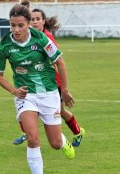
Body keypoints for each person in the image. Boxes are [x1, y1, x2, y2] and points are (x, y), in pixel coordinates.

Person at [0, 4, 75, 174]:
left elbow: (59, 62)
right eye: (12, 25)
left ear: (29, 24)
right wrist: (13, 90)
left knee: (54, 143)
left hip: (48, 94)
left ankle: (63, 142)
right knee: (32, 137)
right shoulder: (5, 44)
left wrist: (65, 91)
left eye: (20, 25)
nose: (16, 30)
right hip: (26, 96)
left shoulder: (40, 38)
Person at [13, 9, 85, 147]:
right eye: (32, 19)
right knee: (24, 104)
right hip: (35, 81)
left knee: (60, 111)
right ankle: (27, 133)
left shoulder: (46, 37)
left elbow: (57, 60)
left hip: (51, 83)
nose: (34, 22)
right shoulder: (29, 37)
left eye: (37, 19)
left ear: (43, 21)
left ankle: (78, 131)